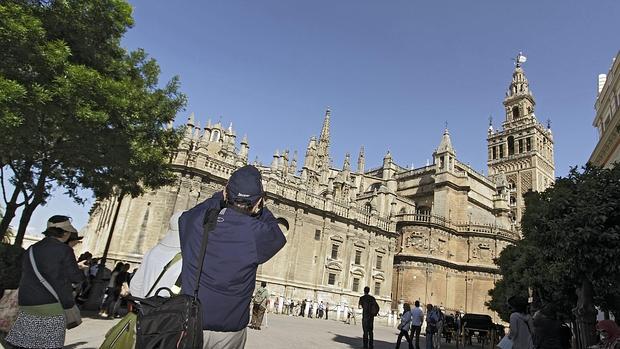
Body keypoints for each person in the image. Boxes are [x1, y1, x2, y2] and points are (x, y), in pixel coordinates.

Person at [179, 165, 286, 349]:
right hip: (229, 331)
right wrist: (261, 208)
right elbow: (276, 234)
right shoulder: (256, 235)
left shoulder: (196, 223)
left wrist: (219, 198)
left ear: (226, 192)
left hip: (190, 322)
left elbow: (189, 215)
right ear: (258, 201)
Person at [5, 215, 85, 349]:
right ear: (65, 232)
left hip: (27, 302)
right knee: (48, 344)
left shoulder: (32, 248)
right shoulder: (65, 250)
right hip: (52, 304)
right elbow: (76, 277)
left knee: (25, 344)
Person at [129, 211, 184, 298]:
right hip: (170, 309)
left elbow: (135, 285)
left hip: (146, 307)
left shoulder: (152, 252)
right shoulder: (188, 258)